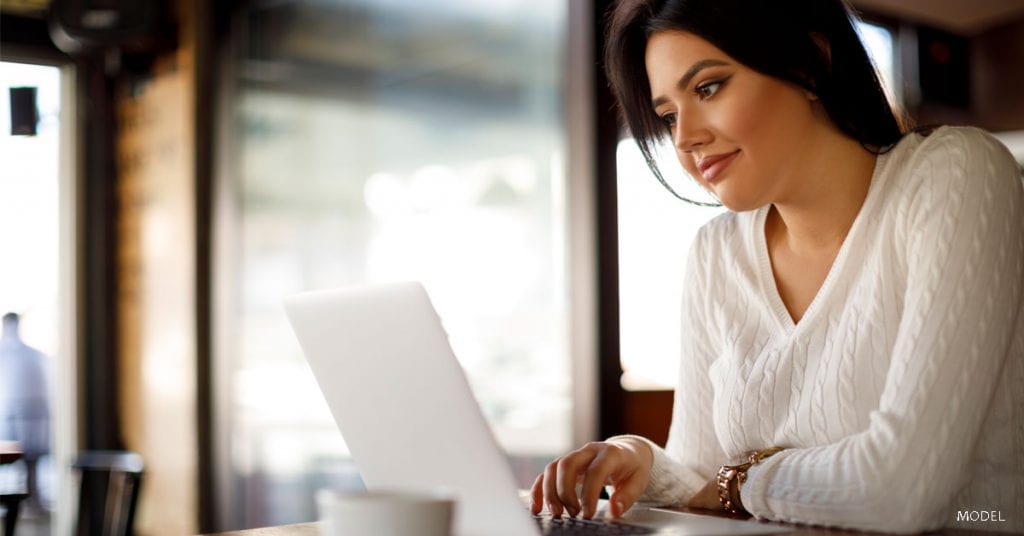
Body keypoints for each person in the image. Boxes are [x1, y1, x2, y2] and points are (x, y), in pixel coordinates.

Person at [529, 0, 1024, 533]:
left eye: (708, 88)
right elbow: (705, 480)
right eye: (668, 114)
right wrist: (641, 462)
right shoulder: (716, 253)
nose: (684, 137)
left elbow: (902, 490)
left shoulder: (956, 175)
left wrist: (742, 480)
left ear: (809, 64)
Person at [0, 312, 51, 512]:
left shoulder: (29, 354)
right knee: (27, 462)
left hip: (26, 410)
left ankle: (32, 500)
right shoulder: (29, 354)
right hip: (17, 410)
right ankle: (30, 501)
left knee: (30, 460)